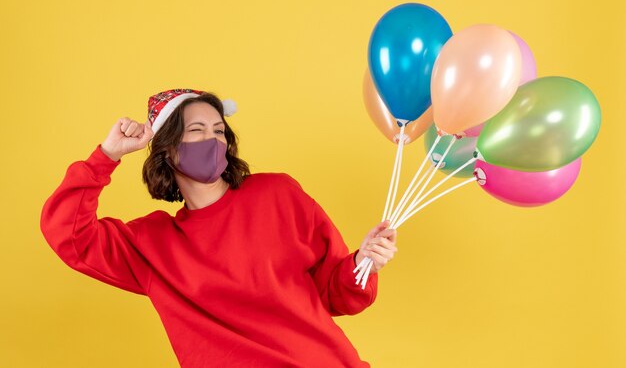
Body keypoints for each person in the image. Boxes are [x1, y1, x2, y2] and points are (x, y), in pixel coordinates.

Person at [41, 89, 398, 368]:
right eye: (197, 130)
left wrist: (363, 263)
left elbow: (334, 294)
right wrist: (107, 155)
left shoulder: (278, 194)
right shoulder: (152, 244)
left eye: (218, 130)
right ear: (167, 150)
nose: (213, 140)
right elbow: (69, 235)